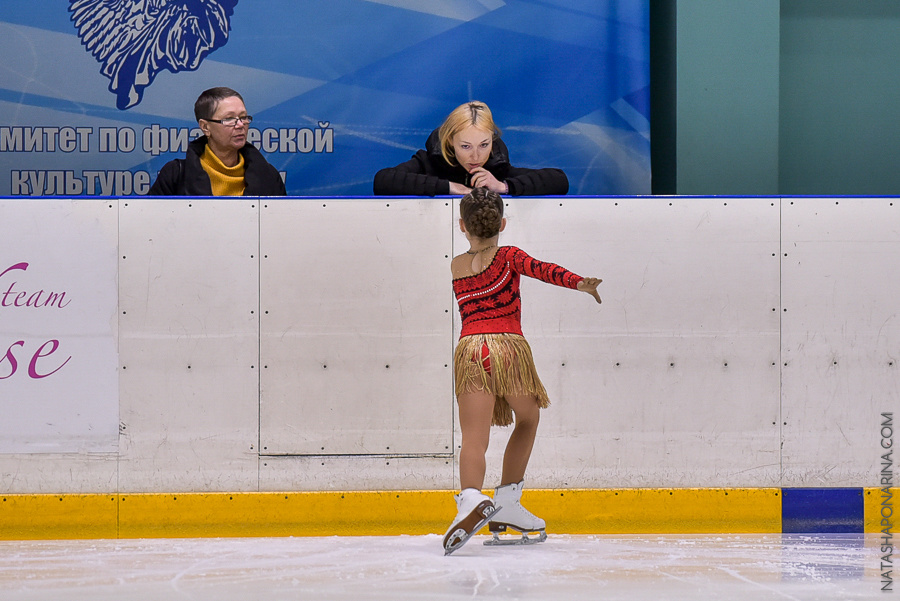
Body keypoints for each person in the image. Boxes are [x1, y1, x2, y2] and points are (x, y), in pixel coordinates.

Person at [443, 187, 602, 555]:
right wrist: (579, 283)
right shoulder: (508, 256)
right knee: (528, 419)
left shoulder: (456, 265)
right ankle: (508, 502)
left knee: (474, 437)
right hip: (508, 349)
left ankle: (470, 499)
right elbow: (543, 270)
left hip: (471, 351)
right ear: (502, 223)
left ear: (462, 226)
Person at [373, 101, 568, 197]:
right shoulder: (428, 162)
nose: (476, 156)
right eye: (465, 146)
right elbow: (382, 180)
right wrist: (449, 187)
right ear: (450, 141)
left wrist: (503, 187)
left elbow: (559, 180)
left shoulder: (497, 166)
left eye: (484, 145)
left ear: (492, 140)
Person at [148, 87, 286, 196]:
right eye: (229, 119)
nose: (240, 125)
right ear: (205, 127)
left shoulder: (268, 175)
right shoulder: (176, 175)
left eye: (243, 117)